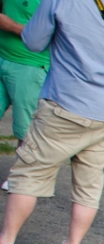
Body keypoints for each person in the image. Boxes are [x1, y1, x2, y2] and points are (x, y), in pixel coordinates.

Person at [0, 0, 104, 244]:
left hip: (63, 106)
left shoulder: (61, 2)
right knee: (89, 187)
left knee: (29, 174)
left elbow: (33, 42)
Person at [0, 0, 50, 156]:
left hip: (30, 66)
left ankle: (21, 172)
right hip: (2, 55)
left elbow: (56, 35)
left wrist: (12, 26)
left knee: (26, 131)